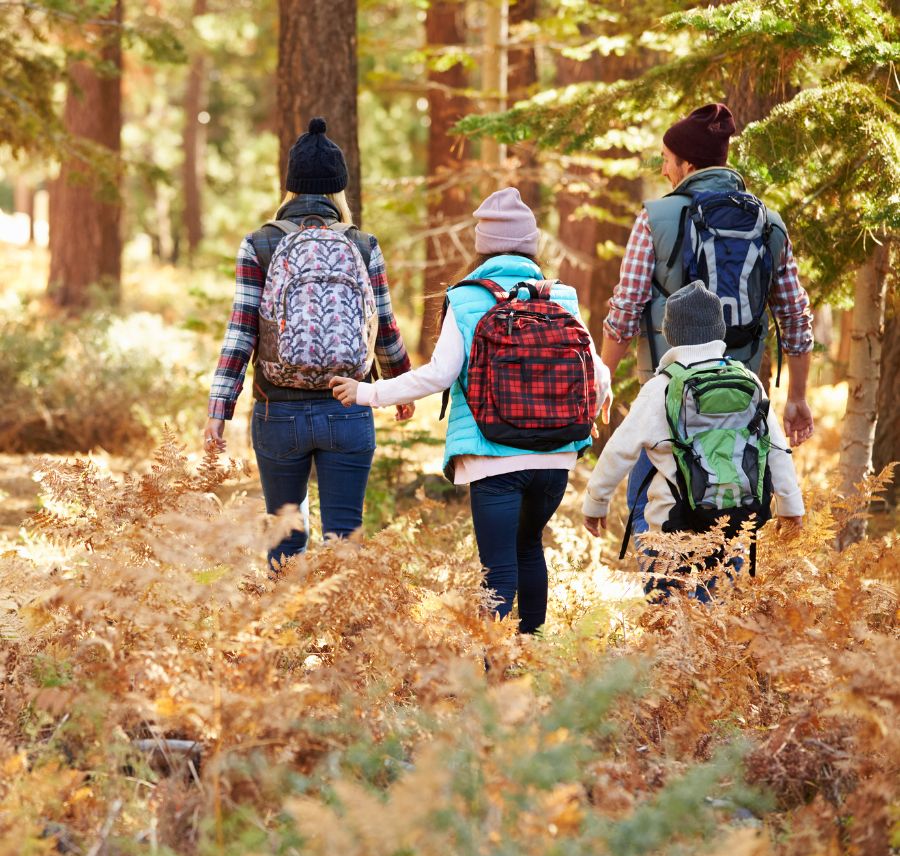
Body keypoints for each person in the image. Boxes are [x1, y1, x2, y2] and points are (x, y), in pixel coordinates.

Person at [331, 187, 611, 634]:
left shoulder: (465, 298)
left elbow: (439, 375)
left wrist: (367, 393)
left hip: (491, 454)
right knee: (529, 548)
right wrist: (594, 409)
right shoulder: (563, 296)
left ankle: (494, 670)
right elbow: (595, 373)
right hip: (557, 456)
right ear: (531, 245)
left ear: (483, 246)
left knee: (497, 567)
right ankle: (532, 652)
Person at [600, 103, 815, 542]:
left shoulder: (655, 219)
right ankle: (717, 604)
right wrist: (797, 398)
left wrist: (602, 379)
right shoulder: (769, 224)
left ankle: (671, 604)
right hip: (740, 399)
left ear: (688, 164)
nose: (663, 170)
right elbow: (795, 317)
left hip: (669, 397)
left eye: (665, 159)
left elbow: (624, 311)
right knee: (732, 511)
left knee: (654, 508)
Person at [204, 117, 414, 566]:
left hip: (277, 410)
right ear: (339, 189)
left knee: (284, 536)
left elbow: (241, 334)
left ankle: (286, 632)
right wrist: (401, 387)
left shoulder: (259, 243)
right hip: (348, 405)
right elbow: (384, 325)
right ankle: (341, 633)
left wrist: (217, 411)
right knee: (343, 540)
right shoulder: (362, 244)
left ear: (290, 187)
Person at [583, 281, 804, 599]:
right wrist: (790, 506)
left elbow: (619, 451)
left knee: (670, 613)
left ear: (669, 334)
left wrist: (596, 502)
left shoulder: (660, 387)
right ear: (720, 330)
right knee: (716, 616)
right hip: (732, 524)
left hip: (672, 527)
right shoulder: (747, 379)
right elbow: (777, 449)